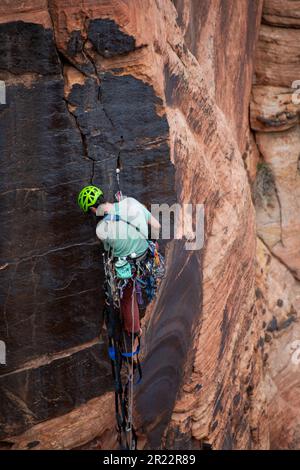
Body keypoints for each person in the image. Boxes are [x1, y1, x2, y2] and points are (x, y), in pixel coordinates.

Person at [77, 185, 160, 336]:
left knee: (127, 297)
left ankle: (133, 331)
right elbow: (156, 225)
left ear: (93, 209)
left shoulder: (101, 229)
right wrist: (153, 244)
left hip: (129, 267)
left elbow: (110, 252)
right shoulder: (131, 202)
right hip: (146, 256)